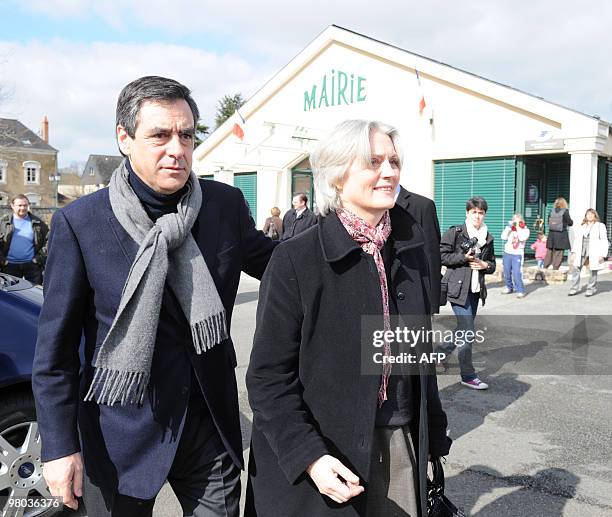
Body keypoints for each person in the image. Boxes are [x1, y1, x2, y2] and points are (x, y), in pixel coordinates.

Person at [32, 76, 276, 517]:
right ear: (124, 138)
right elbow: (56, 352)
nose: (177, 149)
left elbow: (282, 267)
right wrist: (58, 446)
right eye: (160, 135)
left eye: (186, 135)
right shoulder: (80, 223)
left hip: (208, 427)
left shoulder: (224, 204)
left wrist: (352, 233)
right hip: (118, 436)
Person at [245, 120, 451, 516]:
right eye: (374, 162)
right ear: (338, 175)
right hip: (324, 453)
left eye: (394, 161)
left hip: (399, 439)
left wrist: (432, 434)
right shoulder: (295, 259)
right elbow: (267, 378)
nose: (389, 171)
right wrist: (310, 456)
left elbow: (418, 351)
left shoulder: (410, 248)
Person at [437, 196, 496, 390]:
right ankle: (468, 375)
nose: (477, 216)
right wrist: (463, 258)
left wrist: (484, 264)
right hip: (457, 288)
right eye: (474, 212)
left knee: (463, 329)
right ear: (467, 213)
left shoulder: (487, 237)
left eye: (481, 213)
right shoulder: (456, 232)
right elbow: (441, 256)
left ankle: (437, 355)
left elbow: (492, 264)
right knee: (468, 331)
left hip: (475, 291)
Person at [395, 185, 442, 312]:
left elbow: (432, 256)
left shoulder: (423, 206)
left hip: (413, 297)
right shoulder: (366, 204)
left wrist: (432, 303)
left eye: (393, 164)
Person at [0, 194, 49, 284]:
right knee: (11, 295)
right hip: (9, 266)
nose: (23, 208)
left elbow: (48, 241)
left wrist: (38, 259)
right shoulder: (3, 223)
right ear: (12, 206)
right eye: (20, 205)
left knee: (35, 295)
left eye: (25, 205)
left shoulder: (38, 222)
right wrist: (3, 260)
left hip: (32, 266)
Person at [568, 208, 609, 297]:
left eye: (592, 214)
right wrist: (574, 252)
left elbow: (604, 240)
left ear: (595, 216)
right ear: (585, 216)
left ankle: (591, 288)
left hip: (594, 251)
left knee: (593, 270)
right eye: (588, 214)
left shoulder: (600, 226)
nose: (590, 216)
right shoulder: (582, 226)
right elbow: (577, 240)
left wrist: (602, 254)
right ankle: (574, 288)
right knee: (576, 269)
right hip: (581, 249)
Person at [500, 213, 530, 298]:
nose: (515, 222)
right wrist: (508, 228)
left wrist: (518, 228)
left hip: (517, 254)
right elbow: (503, 237)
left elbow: (521, 238)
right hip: (507, 252)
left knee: (517, 273)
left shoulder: (525, 230)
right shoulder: (510, 229)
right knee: (506, 272)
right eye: (514, 220)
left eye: (517, 221)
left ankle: (520, 290)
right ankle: (509, 287)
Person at [544, 197, 573, 270]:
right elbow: (570, 222)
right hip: (561, 235)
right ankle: (555, 268)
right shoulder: (565, 211)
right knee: (559, 253)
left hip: (551, 235)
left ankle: (545, 267)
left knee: (549, 252)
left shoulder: (551, 211)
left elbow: (548, 222)